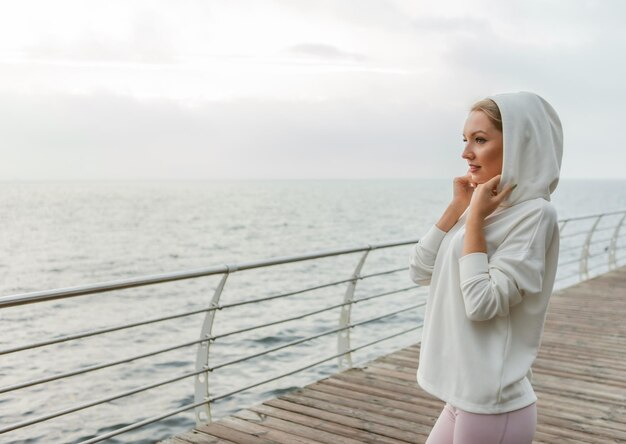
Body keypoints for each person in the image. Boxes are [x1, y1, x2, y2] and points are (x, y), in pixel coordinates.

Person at [408, 91, 563, 444]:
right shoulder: (482, 207)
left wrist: (475, 217)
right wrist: (458, 209)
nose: (465, 153)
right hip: (464, 396)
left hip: (494, 405)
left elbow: (481, 304)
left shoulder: (535, 215)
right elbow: (419, 270)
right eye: (465, 140)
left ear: (521, 144)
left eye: (480, 140)